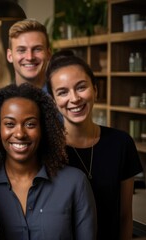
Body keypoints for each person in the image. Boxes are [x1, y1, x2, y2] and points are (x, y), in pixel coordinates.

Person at [0, 83, 97, 239]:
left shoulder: (75, 183)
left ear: (43, 128)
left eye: (30, 124)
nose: (20, 134)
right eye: (10, 124)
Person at [46, 50, 143, 240]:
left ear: (96, 90)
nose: (74, 98)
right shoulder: (46, 149)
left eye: (81, 87)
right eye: (63, 92)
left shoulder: (121, 143)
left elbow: (124, 216)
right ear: (53, 101)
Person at [6, 19, 51, 89]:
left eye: (37, 49)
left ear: (48, 53)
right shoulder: (1, 99)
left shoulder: (66, 98)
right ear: (10, 56)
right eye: (21, 50)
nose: (30, 57)